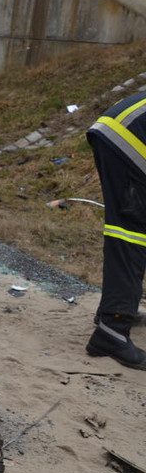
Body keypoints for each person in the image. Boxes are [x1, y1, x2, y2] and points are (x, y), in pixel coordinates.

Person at [84, 92, 146, 370]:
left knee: (130, 231)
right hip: (132, 138)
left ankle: (116, 312)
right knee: (132, 233)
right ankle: (112, 331)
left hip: (120, 129)